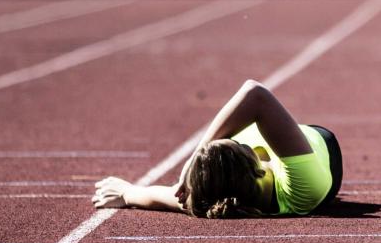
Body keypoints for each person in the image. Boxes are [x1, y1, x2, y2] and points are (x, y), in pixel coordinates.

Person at [92, 79, 342, 217]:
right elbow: (255, 93)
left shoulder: (206, 198)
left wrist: (127, 192)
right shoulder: (302, 187)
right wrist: (191, 161)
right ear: (253, 163)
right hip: (317, 144)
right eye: (239, 143)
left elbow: (159, 195)